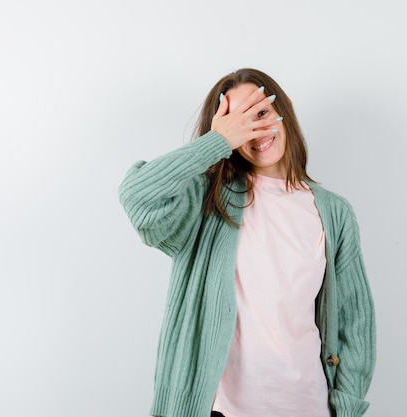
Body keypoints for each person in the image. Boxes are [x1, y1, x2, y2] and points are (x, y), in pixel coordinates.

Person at [119, 68, 375, 417]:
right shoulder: (208, 200)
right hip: (219, 410)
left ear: (283, 111)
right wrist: (217, 142)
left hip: (307, 406)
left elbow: (353, 321)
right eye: (239, 122)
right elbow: (139, 197)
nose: (254, 130)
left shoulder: (334, 212)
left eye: (261, 113)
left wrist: (347, 407)